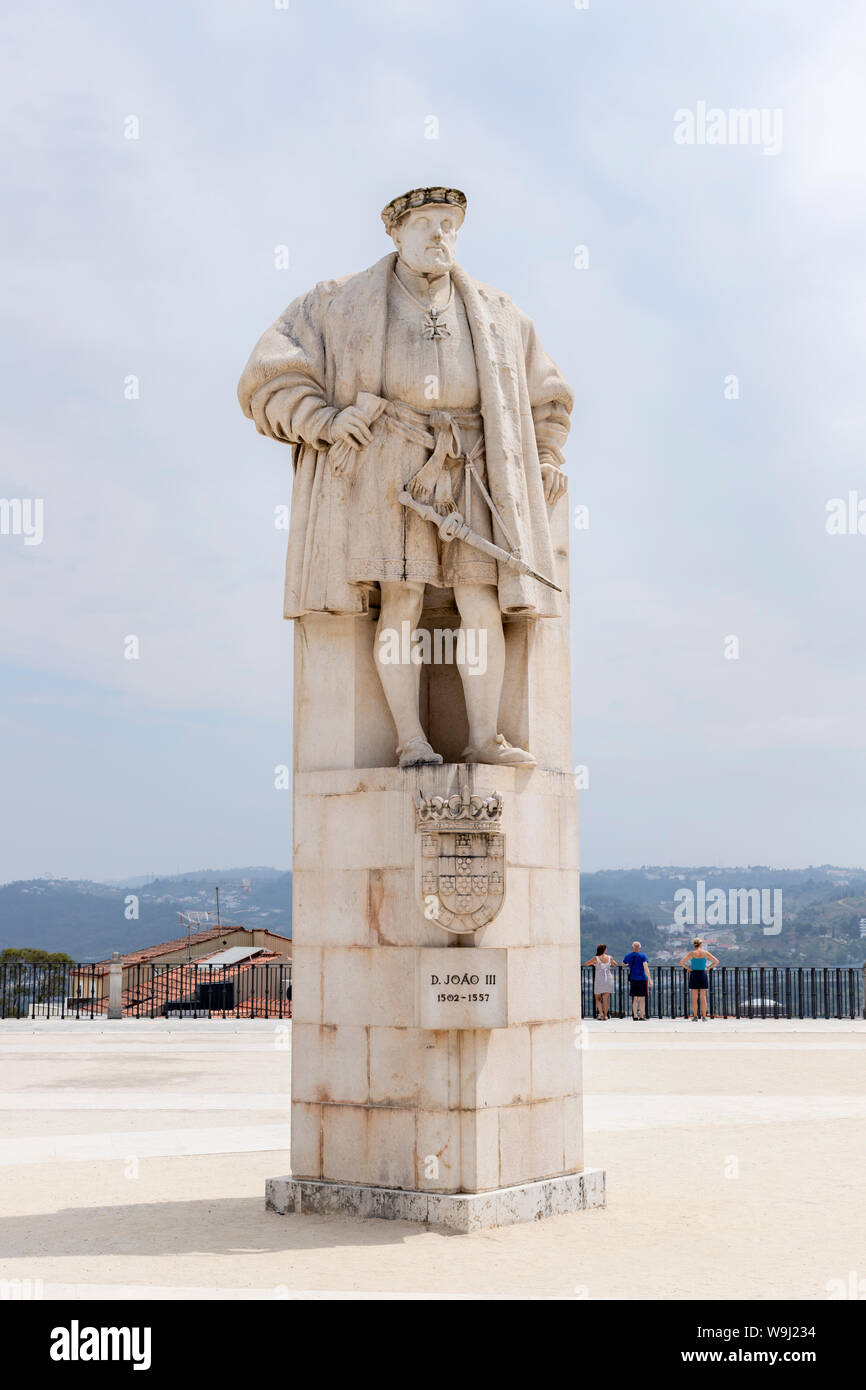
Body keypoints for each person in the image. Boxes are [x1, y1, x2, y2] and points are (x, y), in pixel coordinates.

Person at [238, 186, 571, 769]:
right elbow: (268, 372)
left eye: (450, 223)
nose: (440, 233)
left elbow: (547, 396)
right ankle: (411, 740)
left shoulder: (498, 312)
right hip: (387, 457)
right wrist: (324, 420)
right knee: (401, 596)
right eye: (425, 223)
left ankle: (483, 736)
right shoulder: (338, 302)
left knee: (481, 596)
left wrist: (543, 456)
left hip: (475, 460)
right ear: (395, 232)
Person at [680, 937, 719, 1020]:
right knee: (703, 997)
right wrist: (708, 968)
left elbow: (682, 962)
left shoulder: (691, 953)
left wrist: (688, 968)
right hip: (703, 974)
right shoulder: (705, 953)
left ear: (694, 944)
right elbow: (716, 961)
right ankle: (704, 1016)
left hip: (694, 974)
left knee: (694, 997)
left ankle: (695, 1016)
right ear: (701, 944)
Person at [584, 943, 619, 1020]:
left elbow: (586, 964)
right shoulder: (610, 957)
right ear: (604, 950)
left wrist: (593, 964)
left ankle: (601, 1014)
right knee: (606, 999)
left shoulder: (596, 958)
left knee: (598, 998)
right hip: (608, 979)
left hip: (599, 979)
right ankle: (606, 1015)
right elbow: (615, 964)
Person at [621, 940, 651, 1020]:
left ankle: (634, 1016)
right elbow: (646, 967)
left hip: (633, 979)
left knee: (635, 998)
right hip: (642, 979)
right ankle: (641, 1016)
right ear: (640, 948)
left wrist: (628, 964)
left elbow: (623, 964)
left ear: (632, 948)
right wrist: (650, 979)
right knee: (642, 998)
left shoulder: (628, 956)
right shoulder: (643, 956)